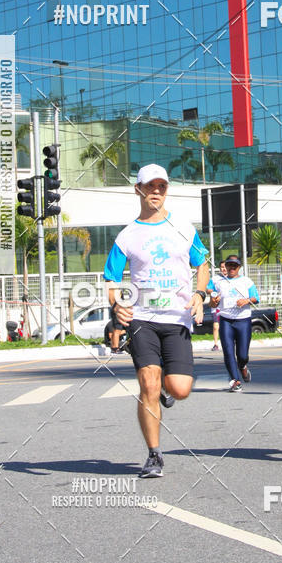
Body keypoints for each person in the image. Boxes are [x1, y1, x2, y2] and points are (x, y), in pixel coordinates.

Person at [104, 164, 209, 477]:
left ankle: (165, 385)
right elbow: (111, 280)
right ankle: (154, 454)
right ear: (138, 189)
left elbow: (202, 264)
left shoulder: (183, 228)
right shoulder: (127, 236)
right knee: (148, 382)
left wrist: (200, 294)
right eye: (150, 186)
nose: (156, 192)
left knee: (179, 389)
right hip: (142, 319)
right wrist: (118, 306)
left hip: (177, 318)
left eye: (162, 186)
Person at [208, 255, 259, 391]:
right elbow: (208, 289)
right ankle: (235, 380)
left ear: (239, 268)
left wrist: (246, 300)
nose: (231, 268)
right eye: (229, 265)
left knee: (242, 355)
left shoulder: (246, 281)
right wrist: (213, 297)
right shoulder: (218, 281)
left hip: (243, 320)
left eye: (234, 266)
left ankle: (242, 366)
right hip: (225, 320)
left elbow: (256, 297)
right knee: (228, 351)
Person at [206, 260, 227, 351]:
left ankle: (227, 342)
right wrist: (214, 293)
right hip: (217, 306)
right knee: (216, 326)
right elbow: (208, 289)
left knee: (226, 326)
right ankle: (215, 344)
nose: (224, 269)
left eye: (225, 267)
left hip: (227, 306)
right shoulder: (215, 279)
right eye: (222, 267)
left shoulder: (232, 279)